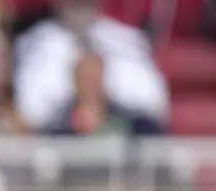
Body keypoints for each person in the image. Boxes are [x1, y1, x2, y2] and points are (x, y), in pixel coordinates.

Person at [12, 0, 168, 134]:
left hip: (122, 140)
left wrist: (102, 81)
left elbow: (153, 102)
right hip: (55, 144)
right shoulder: (33, 42)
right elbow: (31, 112)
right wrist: (77, 82)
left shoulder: (127, 38)